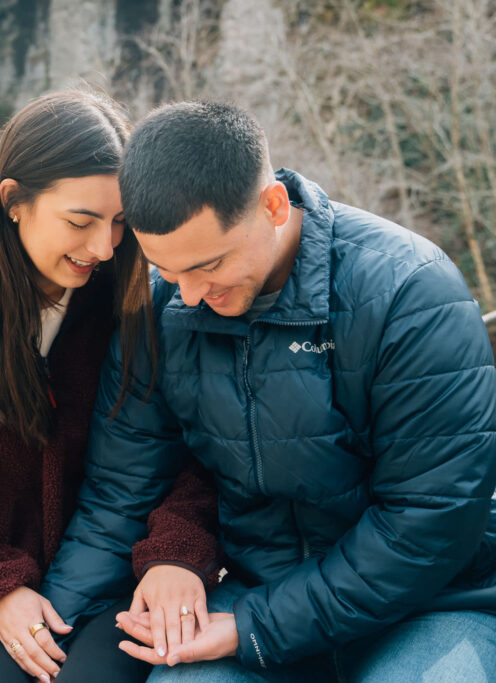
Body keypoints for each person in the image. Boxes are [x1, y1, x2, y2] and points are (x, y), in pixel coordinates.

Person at [41, 101, 496, 681]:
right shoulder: (164, 307)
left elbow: (428, 523)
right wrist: (52, 630)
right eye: (169, 270)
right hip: (255, 591)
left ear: (273, 205)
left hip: (430, 606)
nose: (191, 296)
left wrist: (253, 627)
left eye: (209, 265)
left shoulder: (410, 294)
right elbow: (119, 494)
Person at [0, 91, 222, 683]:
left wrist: (177, 552)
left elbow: (203, 449)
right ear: (13, 202)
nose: (104, 248)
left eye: (120, 224)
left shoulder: (144, 302)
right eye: (80, 222)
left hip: (127, 571)